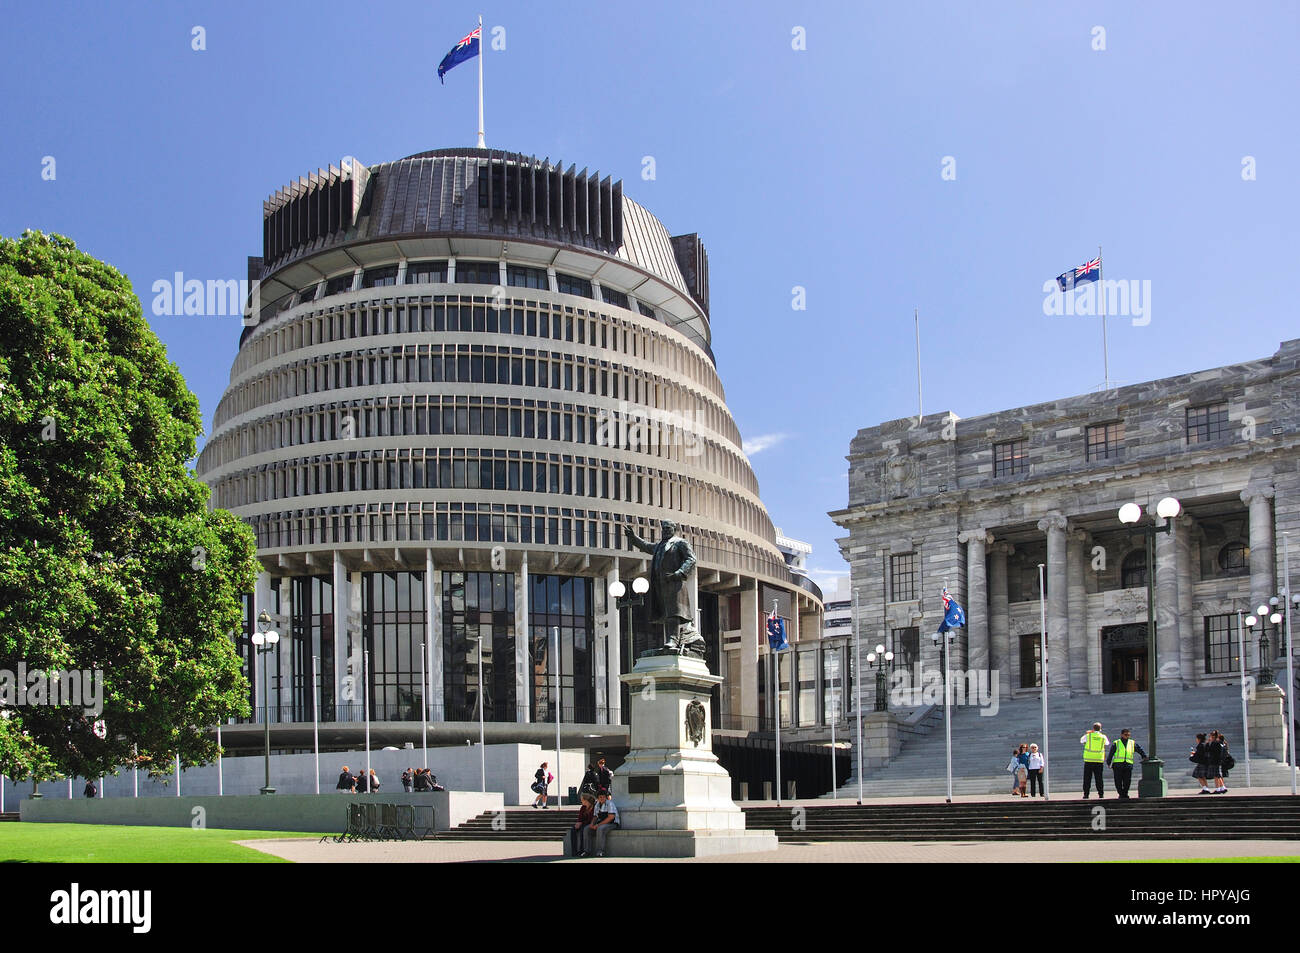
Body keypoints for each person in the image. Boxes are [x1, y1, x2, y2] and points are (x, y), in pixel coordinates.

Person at [1105, 728, 1148, 799]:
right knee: (1118, 781)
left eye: (1128, 735)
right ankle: (1121, 793)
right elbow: (1111, 753)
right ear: (1121, 735)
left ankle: (1125, 793)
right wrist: (1108, 762)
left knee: (1127, 781)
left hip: (1128, 764)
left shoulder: (1132, 742)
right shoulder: (1116, 743)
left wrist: (1144, 756)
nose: (1127, 736)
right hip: (1118, 765)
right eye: (1126, 735)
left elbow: (1139, 749)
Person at [582, 789, 620, 857]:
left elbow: (611, 817)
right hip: (601, 823)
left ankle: (600, 851)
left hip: (612, 824)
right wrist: (592, 824)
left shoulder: (610, 804)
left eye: (603, 797)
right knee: (586, 829)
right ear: (598, 798)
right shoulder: (597, 804)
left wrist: (598, 825)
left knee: (600, 829)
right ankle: (587, 851)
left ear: (606, 797)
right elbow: (595, 816)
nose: (602, 798)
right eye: (600, 797)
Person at [1080, 722, 1109, 799]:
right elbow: (1107, 743)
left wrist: (1090, 733)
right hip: (1099, 760)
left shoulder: (1088, 736)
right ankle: (1101, 794)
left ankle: (1086, 794)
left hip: (1089, 760)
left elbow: (1081, 740)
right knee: (1099, 778)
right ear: (1100, 728)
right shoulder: (1103, 737)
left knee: (1087, 778)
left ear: (1093, 728)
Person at [1207, 730, 1229, 795]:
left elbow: (1209, 751)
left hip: (1215, 761)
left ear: (1213, 736)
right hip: (1218, 761)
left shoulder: (1215, 743)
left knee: (1216, 776)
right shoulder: (1219, 743)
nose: (1209, 738)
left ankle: (1218, 789)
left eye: (1210, 736)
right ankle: (1223, 787)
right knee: (1218, 775)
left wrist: (1208, 743)